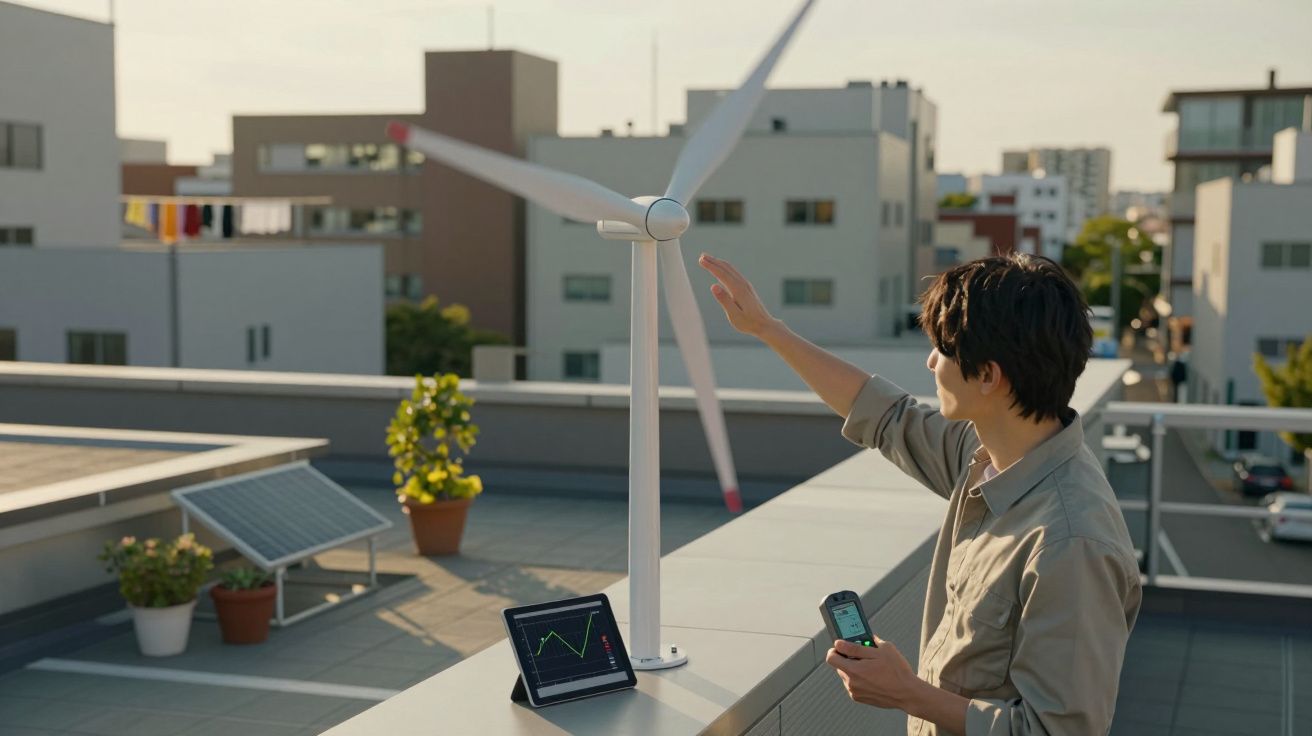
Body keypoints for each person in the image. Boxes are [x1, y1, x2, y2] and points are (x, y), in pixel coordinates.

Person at [698, 252, 1141, 736]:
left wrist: (908, 693)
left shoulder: (1071, 542)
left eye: (943, 349)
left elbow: (1059, 732)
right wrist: (767, 328)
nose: (930, 361)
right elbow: (885, 415)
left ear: (989, 376)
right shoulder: (990, 452)